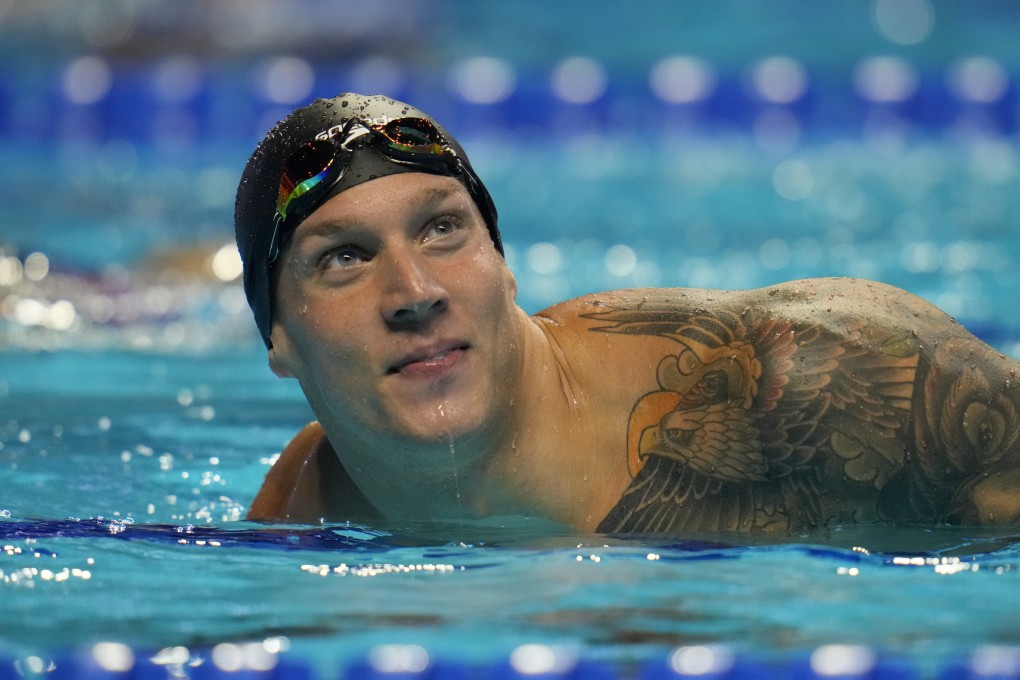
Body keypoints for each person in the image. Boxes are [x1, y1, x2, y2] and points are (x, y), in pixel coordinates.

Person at [234, 92, 1020, 534]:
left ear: (503, 267)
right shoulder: (309, 511)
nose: (414, 292)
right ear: (278, 339)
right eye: (344, 257)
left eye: (443, 228)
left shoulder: (815, 377)